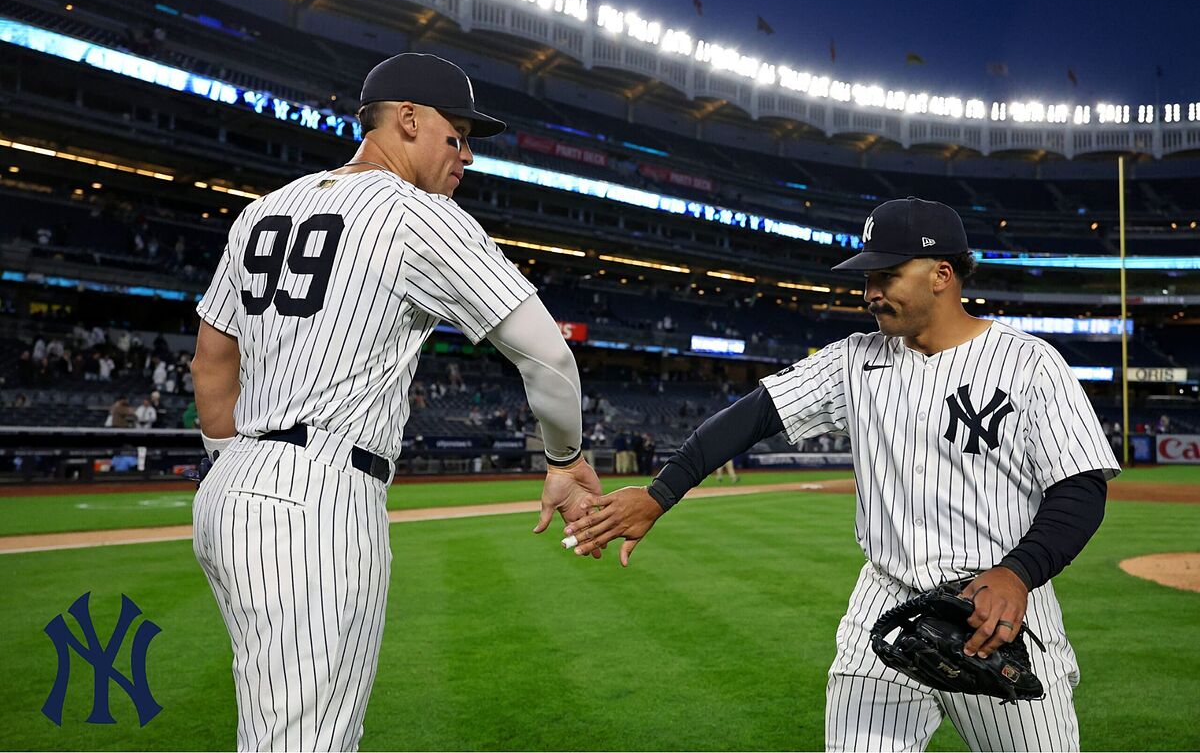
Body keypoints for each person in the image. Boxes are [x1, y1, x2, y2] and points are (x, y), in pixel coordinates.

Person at [564, 197, 1119, 752]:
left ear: (942, 276)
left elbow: (1081, 487)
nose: (870, 292)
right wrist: (659, 495)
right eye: (868, 277)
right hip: (885, 602)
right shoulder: (855, 359)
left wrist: (1017, 575)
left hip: (995, 607)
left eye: (887, 275)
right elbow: (752, 414)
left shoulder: (1029, 363)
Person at [190, 52, 601, 752]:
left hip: (229, 491)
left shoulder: (265, 209)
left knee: (274, 722)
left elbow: (211, 362)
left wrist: (243, 468)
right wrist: (564, 457)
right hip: (318, 495)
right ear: (407, 120)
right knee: (306, 739)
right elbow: (548, 355)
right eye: (457, 135)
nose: (467, 156)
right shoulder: (419, 215)